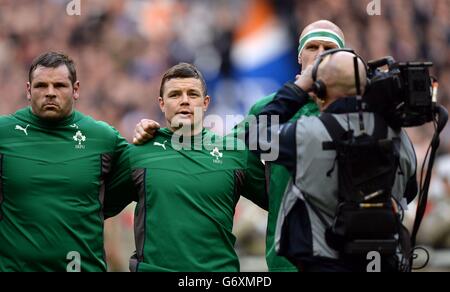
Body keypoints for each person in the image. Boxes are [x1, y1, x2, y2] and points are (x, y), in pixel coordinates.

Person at [133, 20, 347, 272]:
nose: (320, 54)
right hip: (289, 262)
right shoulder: (272, 108)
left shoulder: (361, 109)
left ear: (343, 58)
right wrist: (275, 192)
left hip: (347, 255)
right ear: (300, 56)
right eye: (312, 46)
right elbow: (232, 154)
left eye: (329, 47)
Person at [250, 50, 418, 272]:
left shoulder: (305, 134)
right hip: (381, 261)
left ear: (318, 89)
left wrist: (297, 89)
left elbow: (254, 136)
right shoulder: (396, 134)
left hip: (323, 262)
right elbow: (409, 190)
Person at [105, 63, 267, 272]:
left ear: (206, 102)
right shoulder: (139, 152)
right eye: (175, 95)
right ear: (162, 104)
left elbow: (281, 202)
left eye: (192, 94)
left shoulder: (234, 153)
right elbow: (93, 208)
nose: (184, 100)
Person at [0, 52, 129, 272]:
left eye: (59, 85)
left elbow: (141, 176)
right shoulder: (4, 133)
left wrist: (153, 133)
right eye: (41, 86)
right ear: (28, 90)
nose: (50, 93)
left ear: (76, 89)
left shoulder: (103, 138)